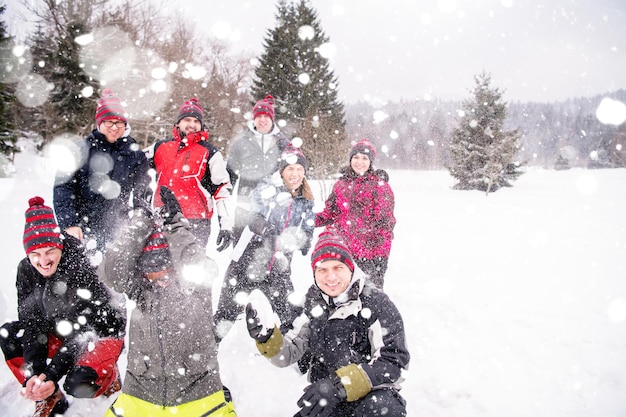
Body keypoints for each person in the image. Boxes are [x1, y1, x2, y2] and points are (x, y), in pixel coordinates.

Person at [101, 186, 236, 417]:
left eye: (165, 271)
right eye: (151, 273)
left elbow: (194, 262)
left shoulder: (195, 289)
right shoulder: (140, 291)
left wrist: (176, 225)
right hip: (141, 392)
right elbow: (112, 271)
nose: (159, 280)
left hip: (197, 391)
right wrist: (140, 223)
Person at [245, 227, 410, 417]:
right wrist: (267, 338)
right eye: (322, 269)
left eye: (337, 267)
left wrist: (340, 385)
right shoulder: (312, 302)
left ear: (350, 268)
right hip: (328, 399)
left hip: (371, 398)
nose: (330, 277)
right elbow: (288, 353)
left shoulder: (376, 303)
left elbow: (394, 362)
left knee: (384, 409)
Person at [0, 197, 126, 417]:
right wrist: (37, 377)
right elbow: (32, 324)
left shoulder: (78, 263)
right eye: (35, 254)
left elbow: (81, 330)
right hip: (61, 328)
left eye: (50, 251)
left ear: (59, 245)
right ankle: (49, 396)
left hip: (97, 333)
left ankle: (108, 377)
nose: (44, 261)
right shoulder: (26, 270)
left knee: (79, 383)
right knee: (9, 336)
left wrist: (52, 374)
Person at [214, 144, 315, 343]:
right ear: (282, 171)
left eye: (299, 169)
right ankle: (209, 348)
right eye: (290, 169)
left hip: (279, 263)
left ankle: (299, 353)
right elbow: (252, 216)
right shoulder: (267, 188)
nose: (294, 174)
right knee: (228, 309)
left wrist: (306, 238)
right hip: (249, 258)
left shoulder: (306, 199)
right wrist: (266, 229)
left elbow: (308, 223)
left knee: (290, 312)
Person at [53, 89, 150, 261]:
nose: (114, 127)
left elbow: (142, 193)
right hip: (82, 229)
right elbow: (63, 188)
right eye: (109, 122)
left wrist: (138, 223)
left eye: (119, 123)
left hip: (117, 229)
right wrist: (69, 223)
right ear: (99, 123)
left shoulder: (135, 155)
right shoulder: (79, 150)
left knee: (111, 279)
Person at [147, 97, 234, 252]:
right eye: (187, 119)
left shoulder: (210, 153)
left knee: (191, 273)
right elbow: (133, 165)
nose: (192, 124)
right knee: (157, 271)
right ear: (178, 123)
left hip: (195, 222)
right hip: (161, 218)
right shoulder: (160, 147)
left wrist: (226, 225)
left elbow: (222, 190)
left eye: (196, 121)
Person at [315, 139, 396, 289]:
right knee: (342, 296)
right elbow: (330, 214)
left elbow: (385, 226)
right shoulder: (341, 185)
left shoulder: (380, 187)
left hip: (369, 255)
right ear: (350, 159)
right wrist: (307, 220)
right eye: (356, 157)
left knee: (369, 300)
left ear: (371, 162)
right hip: (342, 252)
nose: (360, 162)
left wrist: (380, 257)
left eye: (365, 158)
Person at [226, 94, 290, 243]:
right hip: (244, 203)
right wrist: (225, 198)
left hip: (272, 206)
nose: (262, 120)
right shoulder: (242, 142)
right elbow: (229, 173)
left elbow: (295, 169)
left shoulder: (282, 142)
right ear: (253, 119)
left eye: (266, 116)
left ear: (272, 119)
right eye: (259, 116)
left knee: (270, 252)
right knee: (240, 253)